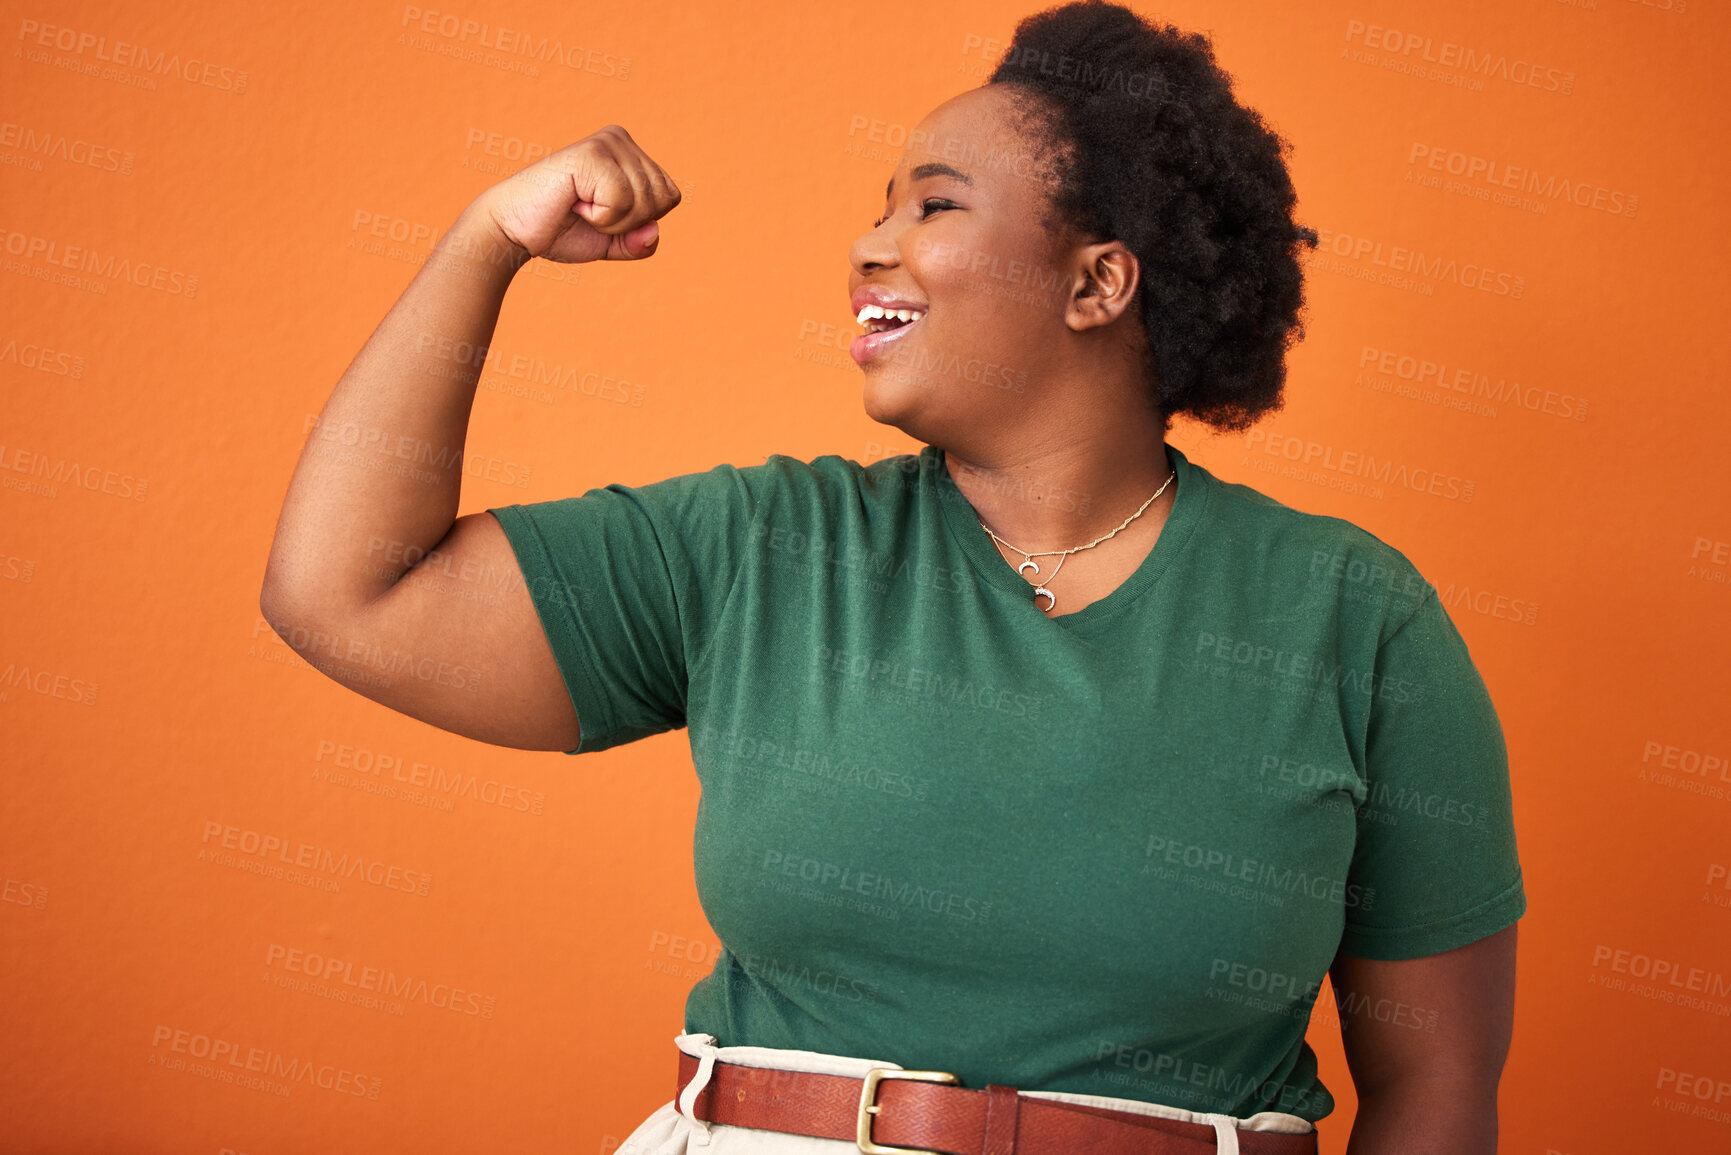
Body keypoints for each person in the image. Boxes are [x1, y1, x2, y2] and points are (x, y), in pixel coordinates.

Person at [260, 1, 1524, 1150]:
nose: (869, 247)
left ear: (1098, 282)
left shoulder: (1353, 618)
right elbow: (349, 595)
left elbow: (1437, 1089)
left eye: (932, 206)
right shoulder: (763, 549)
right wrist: (486, 240)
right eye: (879, 207)